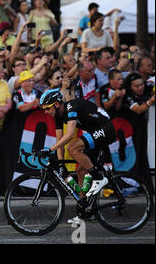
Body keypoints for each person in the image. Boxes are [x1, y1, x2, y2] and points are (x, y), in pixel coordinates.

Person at [40, 89, 116, 223]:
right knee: (81, 171)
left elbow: (69, 135)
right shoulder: (58, 116)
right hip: (94, 133)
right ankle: (85, 211)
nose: (46, 112)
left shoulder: (71, 107)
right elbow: (59, 142)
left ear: (56, 104)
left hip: (106, 129)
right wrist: (61, 164)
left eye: (47, 108)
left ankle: (99, 178)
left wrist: (49, 150)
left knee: (72, 147)